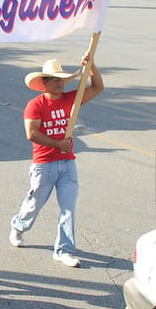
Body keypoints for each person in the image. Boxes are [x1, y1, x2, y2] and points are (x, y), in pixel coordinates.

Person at [9, 55, 104, 268]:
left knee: (68, 209)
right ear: (44, 83)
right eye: (54, 80)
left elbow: (97, 87)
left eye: (61, 80)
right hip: (44, 164)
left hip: (68, 163)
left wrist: (92, 67)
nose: (59, 83)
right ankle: (18, 226)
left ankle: (64, 250)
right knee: (35, 204)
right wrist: (57, 144)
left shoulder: (72, 98)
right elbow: (31, 133)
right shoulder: (35, 105)